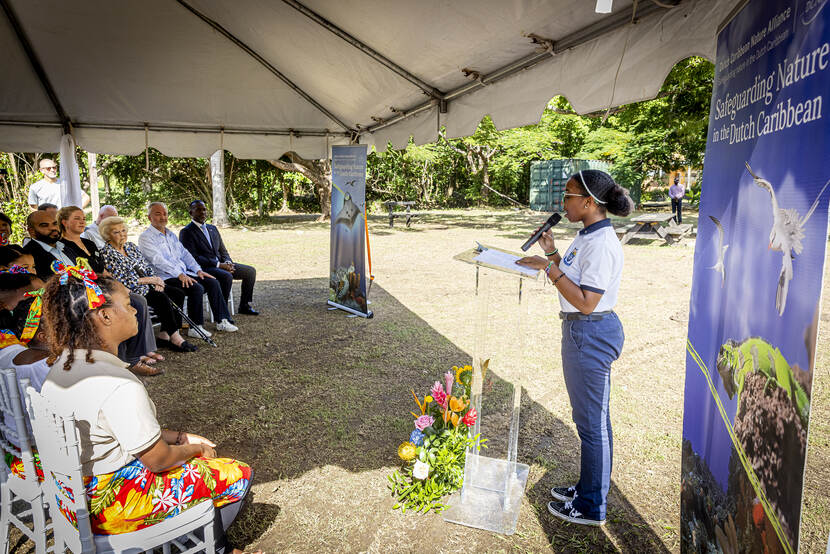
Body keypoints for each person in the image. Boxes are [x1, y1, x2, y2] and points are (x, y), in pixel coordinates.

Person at [38, 271, 254, 552]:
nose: (134, 310)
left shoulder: (63, 366)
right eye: (127, 304)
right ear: (105, 316)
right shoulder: (117, 383)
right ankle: (213, 547)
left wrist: (178, 436)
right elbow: (159, 461)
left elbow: (110, 429)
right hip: (109, 509)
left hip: (71, 496)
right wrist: (196, 451)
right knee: (235, 473)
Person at [517, 169, 633, 527]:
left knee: (592, 425)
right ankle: (587, 487)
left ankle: (591, 506)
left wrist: (549, 270)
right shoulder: (587, 235)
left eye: (568, 196)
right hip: (582, 332)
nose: (562, 203)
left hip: (590, 332)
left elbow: (586, 302)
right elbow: (573, 278)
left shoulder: (600, 244)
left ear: (588, 202)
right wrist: (551, 253)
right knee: (589, 421)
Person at [23, 209, 161, 376]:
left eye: (54, 224)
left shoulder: (63, 247)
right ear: (31, 231)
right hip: (71, 299)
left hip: (89, 290)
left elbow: (87, 270)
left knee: (132, 300)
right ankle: (127, 360)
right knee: (122, 306)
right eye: (44, 225)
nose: (53, 228)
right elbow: (49, 283)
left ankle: (128, 358)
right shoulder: (31, 252)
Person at [139, 202, 238, 337]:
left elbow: (185, 254)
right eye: (158, 214)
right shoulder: (145, 238)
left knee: (212, 281)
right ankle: (195, 327)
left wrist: (198, 270)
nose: (163, 217)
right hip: (166, 277)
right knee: (196, 287)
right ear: (149, 217)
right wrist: (179, 274)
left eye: (165, 214)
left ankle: (222, 320)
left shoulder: (170, 234)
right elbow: (158, 260)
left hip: (183, 273)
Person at [100, 215, 197, 352]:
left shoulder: (131, 247)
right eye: (116, 232)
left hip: (149, 284)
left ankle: (164, 335)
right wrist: (150, 280)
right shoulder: (107, 253)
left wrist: (156, 280)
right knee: (161, 298)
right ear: (107, 235)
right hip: (132, 289)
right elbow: (122, 279)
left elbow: (147, 267)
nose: (122, 235)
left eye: (123, 231)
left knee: (177, 293)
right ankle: (176, 337)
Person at [180, 200, 259, 315]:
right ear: (190, 213)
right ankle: (223, 311)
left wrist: (228, 262)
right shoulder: (186, 232)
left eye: (204, 209)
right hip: (204, 268)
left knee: (250, 271)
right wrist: (218, 265)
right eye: (198, 210)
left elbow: (223, 250)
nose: (202, 212)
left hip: (222, 265)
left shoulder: (213, 228)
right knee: (226, 276)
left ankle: (244, 305)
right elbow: (193, 257)